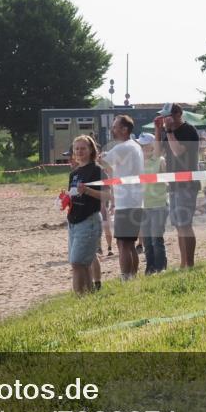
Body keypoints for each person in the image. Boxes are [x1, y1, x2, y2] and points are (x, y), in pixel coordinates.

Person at [153, 103, 201, 268]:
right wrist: (158, 131)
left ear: (178, 114)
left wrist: (169, 131)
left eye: (168, 116)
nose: (166, 119)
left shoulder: (189, 130)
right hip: (174, 183)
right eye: (164, 116)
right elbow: (157, 153)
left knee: (185, 224)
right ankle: (183, 263)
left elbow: (178, 151)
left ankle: (190, 263)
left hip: (187, 183)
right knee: (179, 226)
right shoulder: (168, 131)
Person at [99, 115, 145, 279]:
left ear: (125, 129)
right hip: (135, 199)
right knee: (129, 243)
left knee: (122, 243)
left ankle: (126, 276)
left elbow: (100, 161)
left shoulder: (122, 148)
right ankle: (132, 275)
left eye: (115, 127)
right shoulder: (135, 146)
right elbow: (111, 166)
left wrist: (101, 157)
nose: (113, 129)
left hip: (126, 201)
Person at [66, 135, 105, 294]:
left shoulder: (97, 170)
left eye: (83, 148)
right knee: (81, 264)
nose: (79, 151)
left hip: (89, 220)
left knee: (77, 263)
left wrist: (88, 190)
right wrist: (66, 198)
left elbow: (108, 195)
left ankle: (80, 299)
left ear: (91, 150)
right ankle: (88, 297)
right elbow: (74, 195)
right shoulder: (74, 173)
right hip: (74, 221)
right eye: (76, 149)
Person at [135, 133, 169, 274]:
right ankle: (150, 268)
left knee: (156, 239)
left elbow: (168, 179)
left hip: (159, 204)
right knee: (147, 241)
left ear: (151, 147)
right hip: (144, 206)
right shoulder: (138, 164)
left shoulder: (160, 161)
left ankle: (160, 267)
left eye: (144, 146)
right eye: (140, 146)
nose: (141, 149)